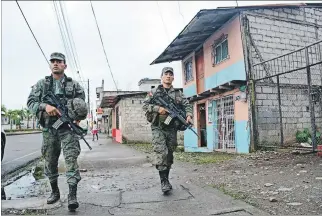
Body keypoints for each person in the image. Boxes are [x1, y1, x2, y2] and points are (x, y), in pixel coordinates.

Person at [27, 52, 87, 212]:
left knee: (71, 160)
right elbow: (31, 102)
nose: (55, 64)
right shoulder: (42, 84)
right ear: (50, 64)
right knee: (50, 161)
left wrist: (77, 118)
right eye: (52, 61)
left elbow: (82, 103)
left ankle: (72, 195)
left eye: (59, 61)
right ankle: (55, 191)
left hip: (67, 129)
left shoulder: (74, 85)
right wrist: (45, 107)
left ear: (64, 65)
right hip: (49, 129)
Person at [142, 67, 193, 194]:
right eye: (166, 74)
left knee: (169, 154)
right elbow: (145, 106)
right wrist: (157, 109)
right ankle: (163, 182)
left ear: (173, 77)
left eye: (171, 74)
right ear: (162, 76)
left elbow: (187, 105)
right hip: (158, 127)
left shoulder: (178, 94)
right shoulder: (153, 93)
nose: (168, 76)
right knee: (161, 153)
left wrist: (188, 115)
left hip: (171, 128)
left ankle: (167, 178)